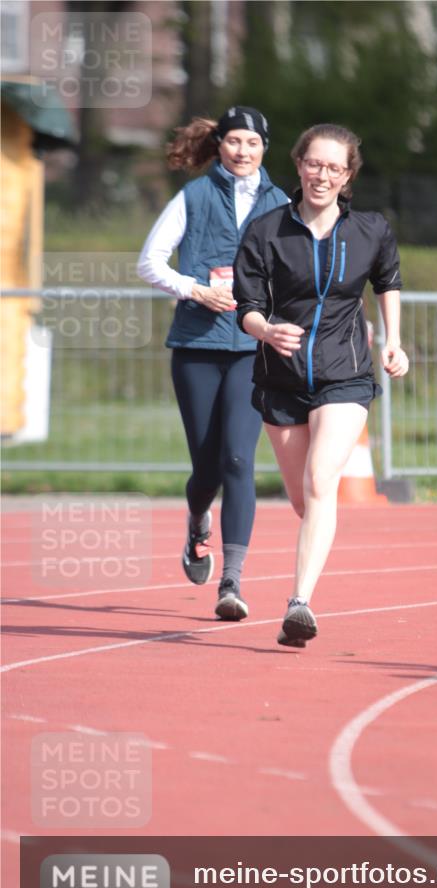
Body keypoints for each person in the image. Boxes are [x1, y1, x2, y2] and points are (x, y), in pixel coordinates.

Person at [233, 123, 409, 647]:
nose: (322, 175)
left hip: (346, 374)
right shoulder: (267, 231)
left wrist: (394, 341)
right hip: (281, 380)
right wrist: (264, 328)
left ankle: (299, 603)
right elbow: (247, 305)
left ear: (348, 175)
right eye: (314, 164)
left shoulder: (370, 230)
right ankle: (313, 552)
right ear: (299, 165)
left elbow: (388, 282)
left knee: (319, 480)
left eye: (334, 167)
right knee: (303, 498)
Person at [137, 107, 289, 620]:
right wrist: (195, 289)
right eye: (234, 142)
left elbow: (298, 271)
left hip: (253, 349)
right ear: (219, 144)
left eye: (252, 142)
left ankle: (232, 581)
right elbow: (149, 262)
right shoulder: (194, 196)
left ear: (265, 147)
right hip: (197, 348)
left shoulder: (282, 203)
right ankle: (197, 519)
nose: (243, 152)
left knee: (238, 460)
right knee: (206, 468)